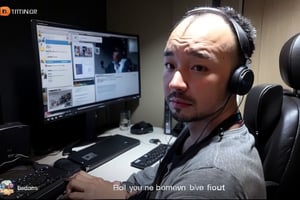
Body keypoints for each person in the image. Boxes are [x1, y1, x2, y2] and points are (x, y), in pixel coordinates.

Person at [66, 6, 266, 199]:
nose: (174, 83)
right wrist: (118, 190)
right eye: (170, 65)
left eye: (198, 67)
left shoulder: (211, 179)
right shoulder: (200, 131)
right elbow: (160, 177)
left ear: (239, 80)